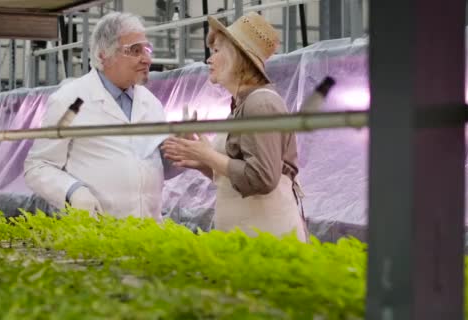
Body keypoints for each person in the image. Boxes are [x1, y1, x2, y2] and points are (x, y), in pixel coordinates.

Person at [161, 12, 308, 241]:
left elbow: (261, 178)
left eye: (217, 51)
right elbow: (240, 178)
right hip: (249, 240)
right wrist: (202, 161)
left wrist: (209, 155)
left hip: (268, 244)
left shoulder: (261, 103)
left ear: (237, 58)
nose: (209, 59)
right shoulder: (243, 104)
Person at [24, 12, 173, 222]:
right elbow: (39, 165)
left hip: (148, 234)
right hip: (95, 232)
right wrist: (73, 191)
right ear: (105, 54)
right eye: (135, 50)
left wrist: (181, 155)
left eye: (147, 49)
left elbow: (152, 166)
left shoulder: (151, 104)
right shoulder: (73, 103)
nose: (147, 59)